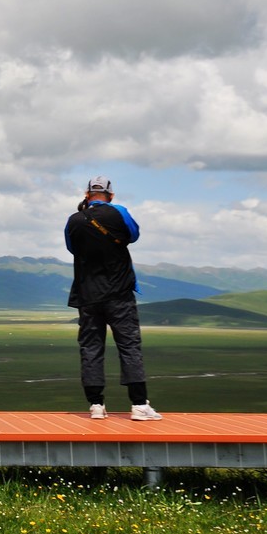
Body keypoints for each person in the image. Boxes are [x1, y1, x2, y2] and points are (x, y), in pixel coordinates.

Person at [64, 176, 162, 421]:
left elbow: (71, 248)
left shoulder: (74, 220)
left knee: (91, 348)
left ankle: (96, 405)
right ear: (110, 194)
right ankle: (139, 405)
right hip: (119, 294)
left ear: (87, 194)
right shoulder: (120, 213)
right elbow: (134, 235)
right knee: (129, 347)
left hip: (87, 295)